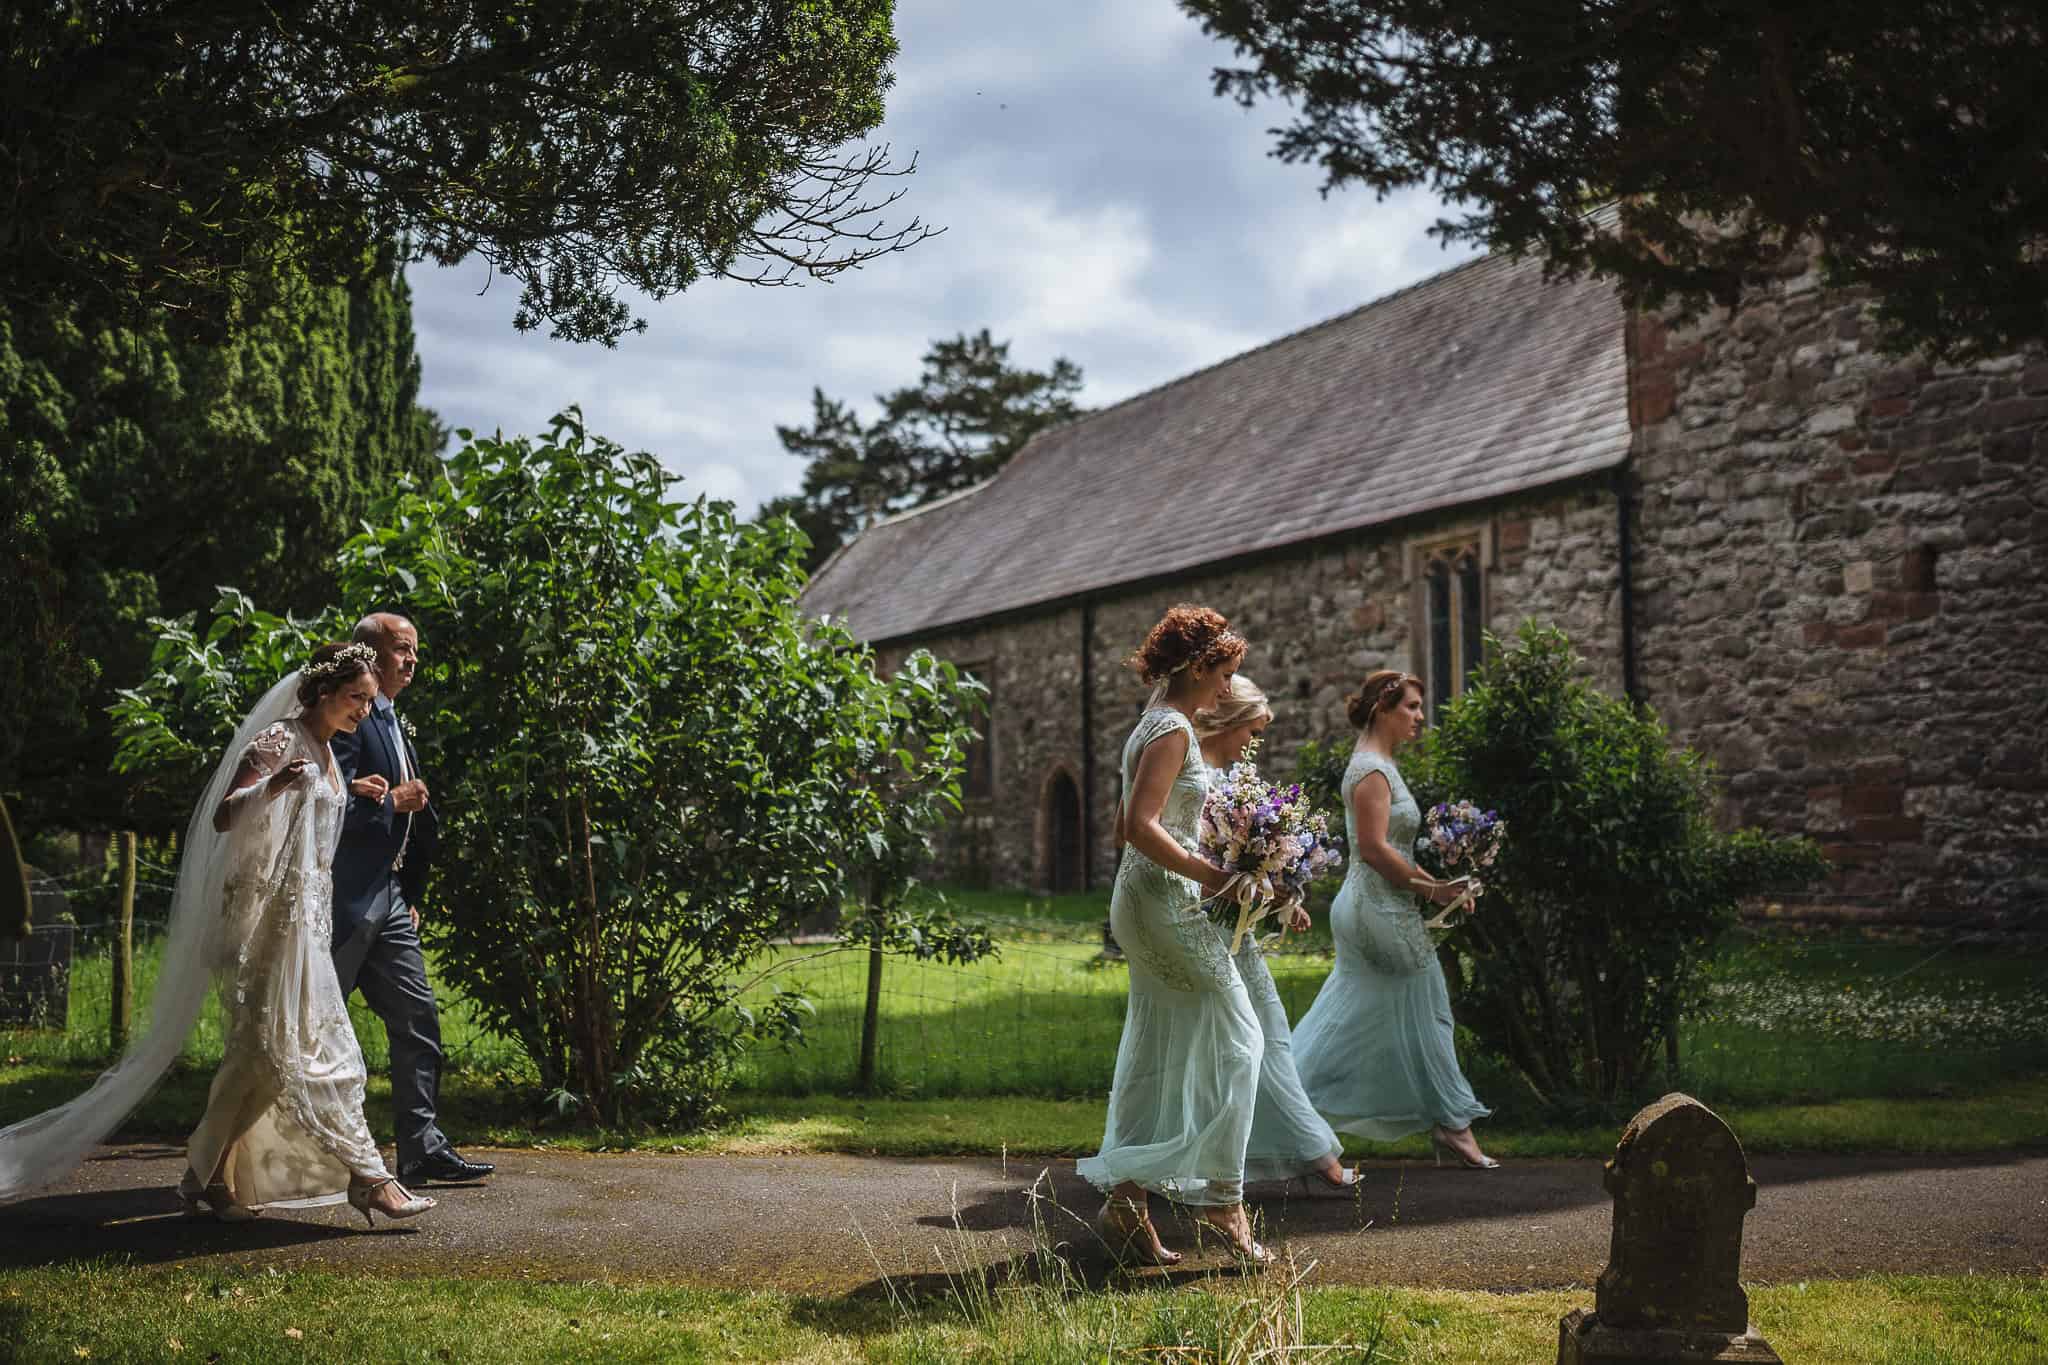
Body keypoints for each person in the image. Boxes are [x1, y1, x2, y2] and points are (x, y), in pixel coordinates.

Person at [0, 643, 435, 1226]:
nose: (363, 710)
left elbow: (319, 829)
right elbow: (227, 812)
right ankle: (372, 1178)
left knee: (254, 1065)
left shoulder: (331, 755)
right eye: (356, 698)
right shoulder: (281, 741)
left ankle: (200, 1179)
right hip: (272, 929)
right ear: (324, 693)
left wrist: (349, 794)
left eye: (367, 700)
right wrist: (275, 787)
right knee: (328, 1056)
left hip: (309, 924)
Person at [1077, 605, 1271, 1265]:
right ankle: (1221, 1198)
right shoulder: (1174, 728)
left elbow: (1125, 826)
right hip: (1163, 898)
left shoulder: (1151, 724)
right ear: (1197, 666)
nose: (1226, 689)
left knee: (1157, 1044)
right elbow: (1138, 825)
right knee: (1243, 1038)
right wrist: (1210, 873)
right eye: (1223, 674)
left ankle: (1128, 1203)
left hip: (1145, 895)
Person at [1291, 670, 1498, 1169]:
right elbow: (1374, 850)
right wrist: (1434, 888)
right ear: (1383, 708)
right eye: (1411, 707)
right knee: (1429, 1008)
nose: (1420, 717)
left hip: (1383, 904)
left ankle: (1281, 1108)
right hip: (1374, 907)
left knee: (1349, 1019)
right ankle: (1453, 1126)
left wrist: (1442, 888)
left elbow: (1395, 849)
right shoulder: (1371, 771)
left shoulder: (1380, 764)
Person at [330, 612, 493, 1187]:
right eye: (402, 649)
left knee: (417, 1017)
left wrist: (408, 889)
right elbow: (324, 805)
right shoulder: (346, 717)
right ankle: (289, 1156)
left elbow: (414, 821)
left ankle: (421, 1149)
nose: (413, 661)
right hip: (340, 903)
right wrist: (388, 804)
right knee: (314, 1028)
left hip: (392, 901)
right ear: (368, 653)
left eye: (415, 652)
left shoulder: (393, 719)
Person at [1192, 676, 1358, 1195]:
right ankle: (1309, 1153)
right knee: (1234, 1040)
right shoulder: (1197, 778)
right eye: (1253, 730)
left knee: (1268, 1031)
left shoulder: (1237, 778)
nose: (1254, 742)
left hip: (1235, 925)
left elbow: (1243, 858)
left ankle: (1304, 1149)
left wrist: (1282, 893)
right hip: (1204, 924)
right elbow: (1206, 859)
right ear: (1230, 721)